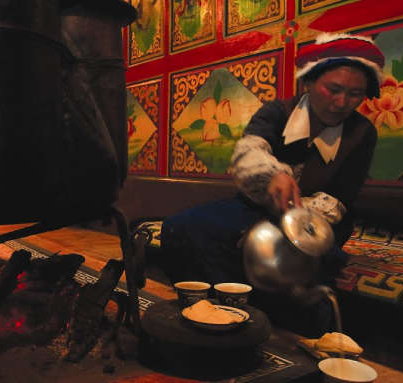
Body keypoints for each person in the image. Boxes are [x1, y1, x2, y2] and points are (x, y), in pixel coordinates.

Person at [158, 33, 385, 336]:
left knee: (298, 261)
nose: (342, 103)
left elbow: (341, 196)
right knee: (183, 227)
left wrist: (291, 222)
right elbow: (248, 151)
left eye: (355, 94)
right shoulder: (277, 112)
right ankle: (211, 309)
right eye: (333, 89)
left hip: (314, 224)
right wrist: (272, 176)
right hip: (255, 205)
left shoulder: (362, 132)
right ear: (309, 82)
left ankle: (285, 331)